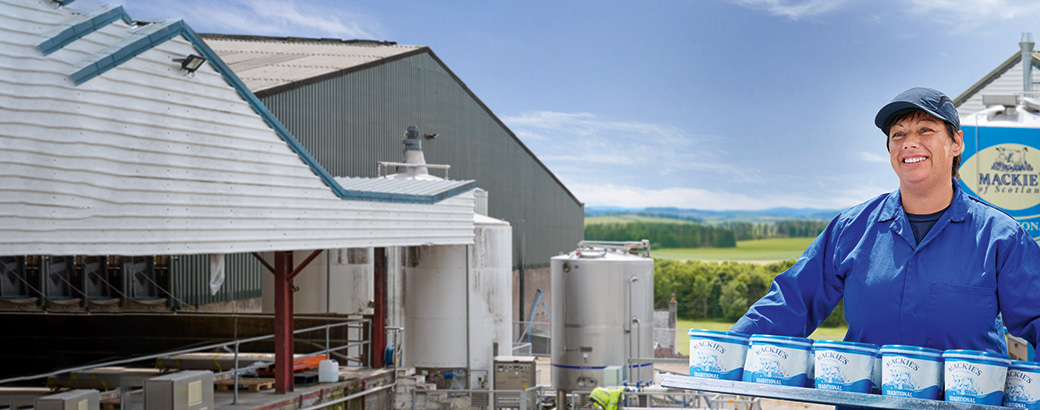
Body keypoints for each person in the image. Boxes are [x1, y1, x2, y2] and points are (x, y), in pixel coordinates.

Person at [730, 87, 1040, 357]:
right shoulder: (851, 230)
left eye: (925, 130)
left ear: (956, 142)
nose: (909, 143)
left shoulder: (1000, 238)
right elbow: (791, 302)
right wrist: (728, 349)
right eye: (898, 135)